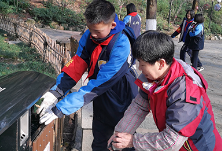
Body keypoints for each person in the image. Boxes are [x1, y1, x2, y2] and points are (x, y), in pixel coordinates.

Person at [37, 0, 138, 150]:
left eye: (97, 31)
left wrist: (62, 108)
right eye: (90, 29)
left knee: (122, 141)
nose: (93, 34)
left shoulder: (121, 44)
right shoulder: (90, 36)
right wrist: (56, 91)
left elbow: (100, 84)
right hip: (99, 95)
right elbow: (78, 63)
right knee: (99, 139)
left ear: (112, 25)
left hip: (120, 93)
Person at [108, 30, 222, 151]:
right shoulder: (155, 76)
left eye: (142, 64)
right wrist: (119, 135)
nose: (139, 68)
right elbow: (139, 106)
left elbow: (171, 142)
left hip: (197, 147)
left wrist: (133, 141)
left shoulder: (186, 91)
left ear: (161, 63)